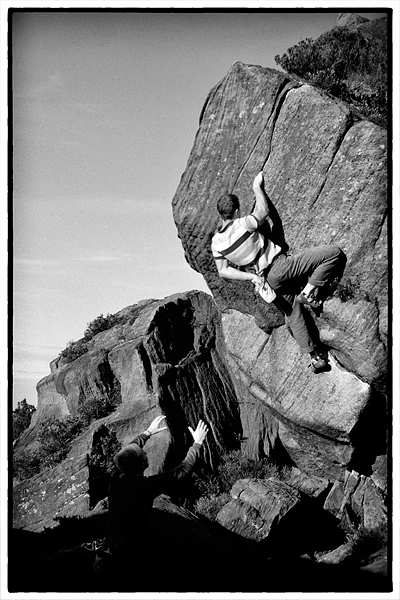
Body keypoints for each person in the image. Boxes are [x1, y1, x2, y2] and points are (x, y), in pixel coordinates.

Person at [211, 172, 347, 371]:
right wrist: (257, 187)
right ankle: (308, 292)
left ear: (220, 215)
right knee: (333, 254)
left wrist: (251, 276)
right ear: (237, 210)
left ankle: (315, 358)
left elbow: (223, 271)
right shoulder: (243, 224)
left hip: (266, 283)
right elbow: (264, 210)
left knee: (292, 312)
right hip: (280, 267)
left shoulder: (216, 243)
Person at [105, 415, 209, 588]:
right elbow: (183, 469)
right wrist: (197, 443)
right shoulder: (145, 487)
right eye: (144, 455)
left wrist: (148, 432)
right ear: (142, 465)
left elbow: (125, 454)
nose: (146, 453)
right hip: (133, 552)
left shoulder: (115, 477)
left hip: (114, 545)